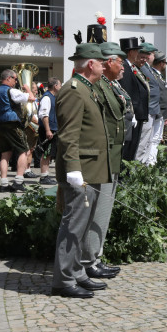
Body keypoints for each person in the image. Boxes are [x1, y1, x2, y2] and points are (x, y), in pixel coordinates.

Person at [52, 44, 112, 298]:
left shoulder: (87, 89)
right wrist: (73, 170)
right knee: (73, 225)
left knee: (83, 225)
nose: (104, 66)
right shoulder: (74, 91)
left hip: (92, 168)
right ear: (90, 64)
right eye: (101, 62)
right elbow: (69, 135)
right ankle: (63, 280)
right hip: (81, 170)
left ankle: (76, 272)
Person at [79, 41, 129, 280]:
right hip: (101, 156)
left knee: (103, 211)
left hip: (112, 154)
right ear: (108, 62)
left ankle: (94, 256)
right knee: (97, 211)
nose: (123, 67)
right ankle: (89, 259)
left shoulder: (109, 85)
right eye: (120, 61)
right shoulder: (97, 86)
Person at [0, 69, 36, 192]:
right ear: (9, 78)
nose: (16, 81)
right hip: (11, 123)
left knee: (5, 153)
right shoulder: (12, 90)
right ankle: (18, 181)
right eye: (15, 79)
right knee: (24, 151)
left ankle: (4, 184)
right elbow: (32, 98)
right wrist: (27, 88)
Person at [119, 37, 150, 162]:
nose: (138, 54)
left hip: (138, 113)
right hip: (133, 114)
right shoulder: (125, 68)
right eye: (136, 50)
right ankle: (123, 177)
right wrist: (132, 112)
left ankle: (126, 174)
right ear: (131, 52)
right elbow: (127, 91)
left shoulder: (131, 67)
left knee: (133, 147)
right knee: (128, 148)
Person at [37, 77, 62, 185]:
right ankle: (44, 176)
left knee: (49, 153)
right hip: (48, 130)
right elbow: (44, 115)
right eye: (60, 85)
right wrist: (48, 130)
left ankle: (45, 175)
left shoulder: (52, 97)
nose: (61, 87)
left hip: (52, 129)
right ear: (55, 86)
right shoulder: (47, 98)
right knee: (46, 153)